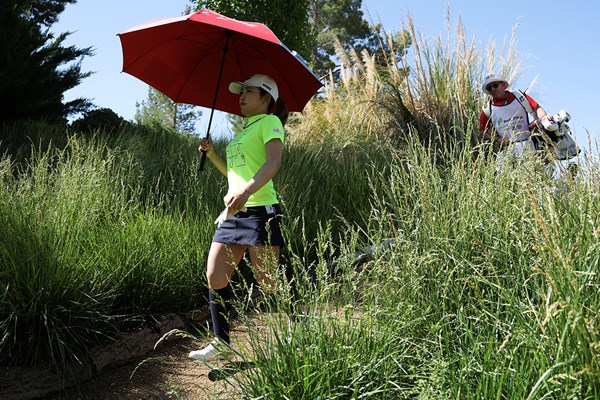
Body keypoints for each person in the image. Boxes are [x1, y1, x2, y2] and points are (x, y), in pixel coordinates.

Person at [189, 74, 288, 361]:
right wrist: (213, 154)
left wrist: (245, 192)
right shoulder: (243, 132)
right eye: (240, 92)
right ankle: (222, 342)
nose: (241, 96)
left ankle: (296, 325)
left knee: (268, 281)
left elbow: (273, 163)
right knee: (215, 275)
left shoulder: (271, 123)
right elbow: (233, 174)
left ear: (266, 97)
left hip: (260, 210)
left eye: (248, 92)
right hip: (234, 212)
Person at [479, 73, 549, 170]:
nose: (493, 89)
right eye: (490, 88)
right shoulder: (487, 109)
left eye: (495, 85)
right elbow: (482, 133)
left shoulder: (519, 96)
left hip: (528, 145)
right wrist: (497, 140)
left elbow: (537, 108)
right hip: (506, 150)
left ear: (503, 85)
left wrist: (544, 118)